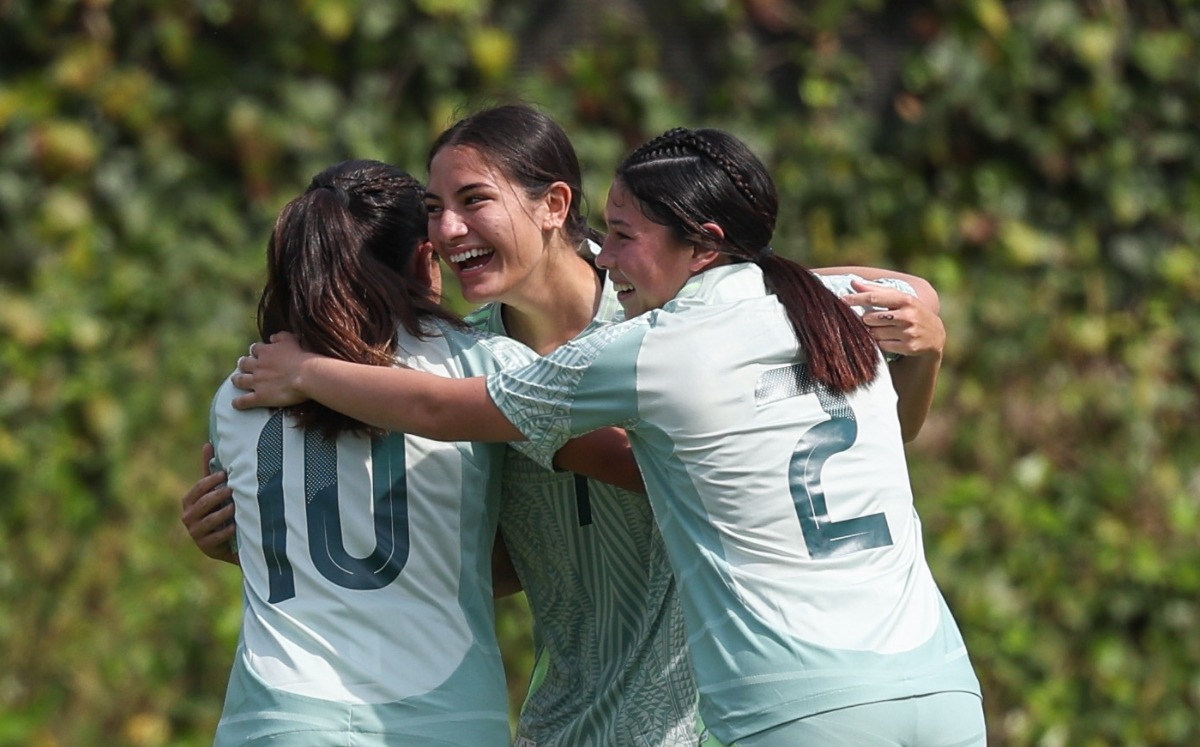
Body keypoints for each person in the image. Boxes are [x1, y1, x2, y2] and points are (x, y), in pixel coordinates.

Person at [185, 105, 949, 746]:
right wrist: (256, 536)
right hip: (562, 724)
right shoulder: (460, 358)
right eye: (435, 213)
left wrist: (926, 337)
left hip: (706, 720)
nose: (450, 231)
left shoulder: (665, 321)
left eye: (474, 200)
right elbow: (479, 565)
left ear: (554, 204)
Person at [204, 158, 637, 746]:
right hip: (441, 716)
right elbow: (632, 467)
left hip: (274, 716)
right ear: (422, 259)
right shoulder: (481, 365)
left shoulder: (239, 391)